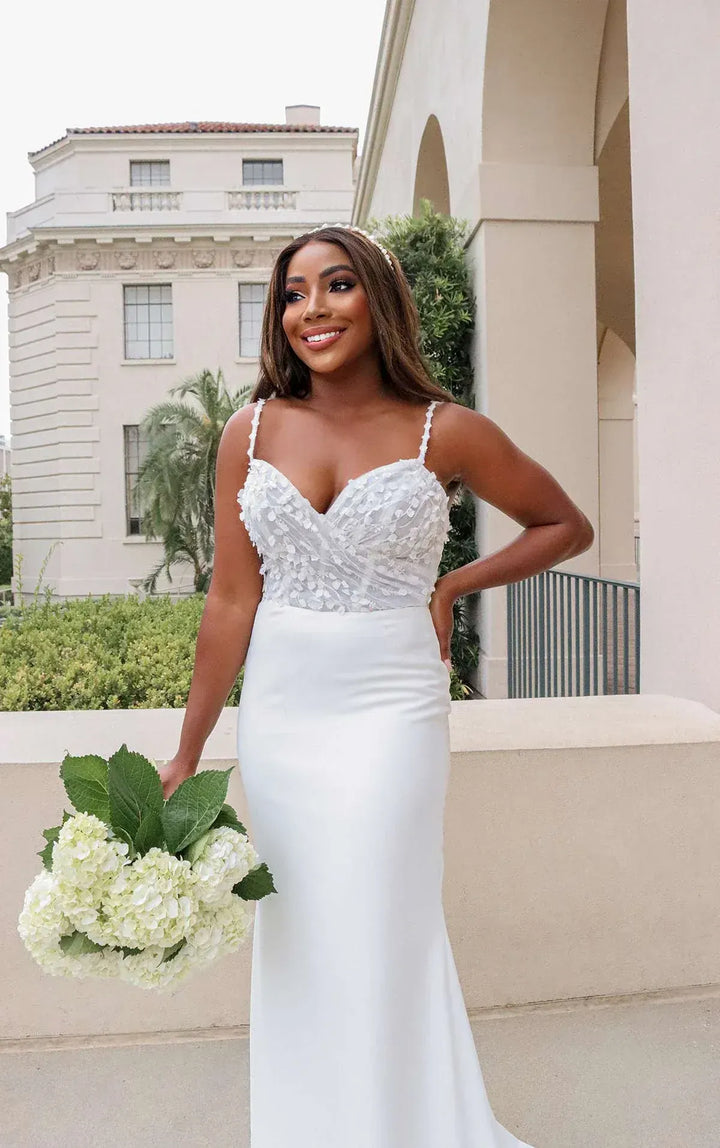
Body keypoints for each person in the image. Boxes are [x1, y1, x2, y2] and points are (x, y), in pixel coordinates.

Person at [159, 224, 593, 1147]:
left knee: (382, 916)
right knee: (303, 931)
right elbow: (231, 601)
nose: (312, 309)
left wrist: (453, 582)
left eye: (337, 285)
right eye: (292, 294)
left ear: (378, 301)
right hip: (283, 715)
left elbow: (563, 523)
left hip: (391, 705)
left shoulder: (448, 430)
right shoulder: (252, 429)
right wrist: (188, 750)